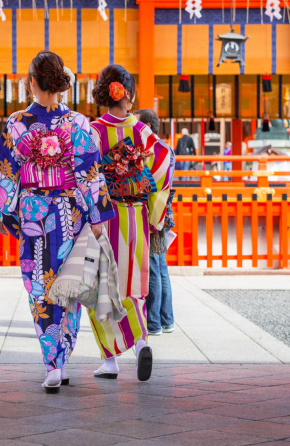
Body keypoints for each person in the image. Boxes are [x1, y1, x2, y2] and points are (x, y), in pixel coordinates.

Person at [0, 51, 114, 393]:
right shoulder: (79, 124)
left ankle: (53, 363)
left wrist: (0, 211)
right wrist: (97, 216)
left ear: (31, 83)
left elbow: (4, 172)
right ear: (60, 83)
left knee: (40, 287)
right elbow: (90, 174)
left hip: (33, 214)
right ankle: (62, 356)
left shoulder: (16, 123)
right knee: (67, 285)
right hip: (69, 213)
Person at [88, 66, 172, 382]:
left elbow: (87, 176)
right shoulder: (141, 131)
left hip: (104, 219)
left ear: (101, 94)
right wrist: (154, 215)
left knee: (101, 288)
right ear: (130, 94)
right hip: (135, 216)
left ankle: (112, 359)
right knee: (132, 285)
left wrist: (90, 214)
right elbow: (164, 161)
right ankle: (139, 345)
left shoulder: (94, 131)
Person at [137, 109, 175, 336]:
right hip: (165, 211)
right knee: (160, 268)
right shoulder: (166, 148)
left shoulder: (154, 150)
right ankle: (166, 320)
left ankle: (153, 323)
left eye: (140, 126)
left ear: (148, 127)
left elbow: (150, 184)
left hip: (154, 212)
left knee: (153, 267)